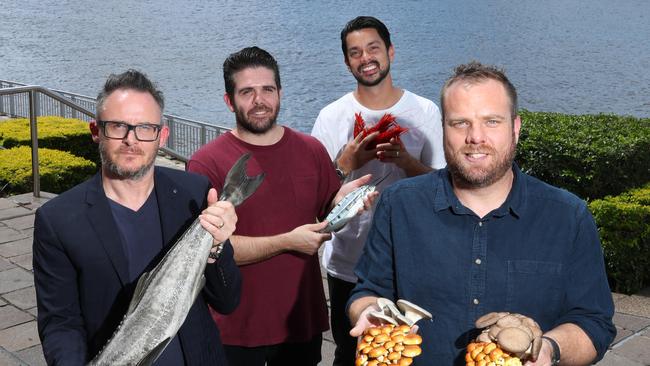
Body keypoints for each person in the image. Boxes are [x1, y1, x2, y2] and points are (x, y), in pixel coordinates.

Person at [347, 62, 616, 365]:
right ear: (443, 128)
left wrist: (548, 349)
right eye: (460, 123)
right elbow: (368, 290)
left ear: (515, 128)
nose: (475, 137)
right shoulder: (398, 204)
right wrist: (369, 311)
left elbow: (594, 324)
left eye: (491, 121)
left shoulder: (569, 217)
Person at [33, 70, 241, 365]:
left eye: (145, 128)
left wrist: (219, 248)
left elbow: (228, 300)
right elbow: (60, 323)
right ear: (96, 131)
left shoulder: (194, 194)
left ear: (162, 135)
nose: (131, 140)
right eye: (118, 126)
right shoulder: (57, 220)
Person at [187, 46, 376, 366]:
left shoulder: (311, 150)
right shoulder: (206, 163)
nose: (259, 100)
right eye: (247, 92)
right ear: (229, 100)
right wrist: (288, 241)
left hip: (300, 324)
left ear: (280, 93)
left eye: (267, 90)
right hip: (234, 330)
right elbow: (208, 248)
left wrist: (345, 205)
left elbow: (325, 217)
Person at [310, 15, 446, 365]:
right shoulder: (330, 116)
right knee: (349, 353)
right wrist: (348, 159)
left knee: (411, 353)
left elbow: (446, 188)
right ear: (346, 61)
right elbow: (314, 198)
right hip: (347, 264)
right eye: (355, 52)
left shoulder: (425, 111)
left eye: (373, 48)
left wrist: (406, 162)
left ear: (390, 51)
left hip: (412, 262)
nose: (365, 58)